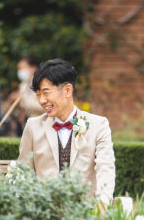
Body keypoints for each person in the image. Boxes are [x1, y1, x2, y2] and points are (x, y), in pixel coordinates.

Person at [17, 59, 115, 206]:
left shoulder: (98, 125)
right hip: (44, 216)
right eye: (38, 95)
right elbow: (24, 172)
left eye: (46, 93)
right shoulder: (32, 126)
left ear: (68, 90)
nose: (42, 101)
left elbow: (105, 168)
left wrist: (102, 203)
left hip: (85, 214)